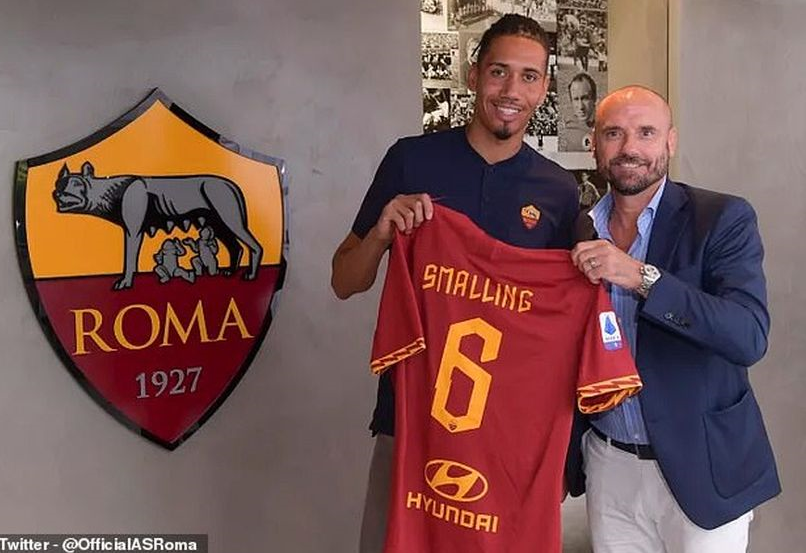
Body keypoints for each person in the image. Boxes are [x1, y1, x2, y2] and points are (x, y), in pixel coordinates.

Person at [331, 14, 579, 553]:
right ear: (473, 76)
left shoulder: (559, 191)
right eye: (499, 72)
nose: (512, 91)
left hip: (509, 436)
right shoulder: (411, 160)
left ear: (544, 88)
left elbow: (564, 332)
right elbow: (344, 280)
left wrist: (563, 457)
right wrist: (381, 232)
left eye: (529, 77)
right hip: (410, 423)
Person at [567, 86, 781, 552]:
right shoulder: (578, 227)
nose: (630, 148)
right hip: (608, 461)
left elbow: (748, 335)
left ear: (670, 141)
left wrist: (642, 277)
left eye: (646, 132)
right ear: (594, 143)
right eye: (614, 133)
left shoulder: (721, 217)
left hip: (702, 464)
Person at [560, 72, 596, 152]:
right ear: (571, 101)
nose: (580, 107)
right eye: (576, 99)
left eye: (585, 98)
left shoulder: (604, 125)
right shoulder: (568, 124)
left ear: (594, 98)